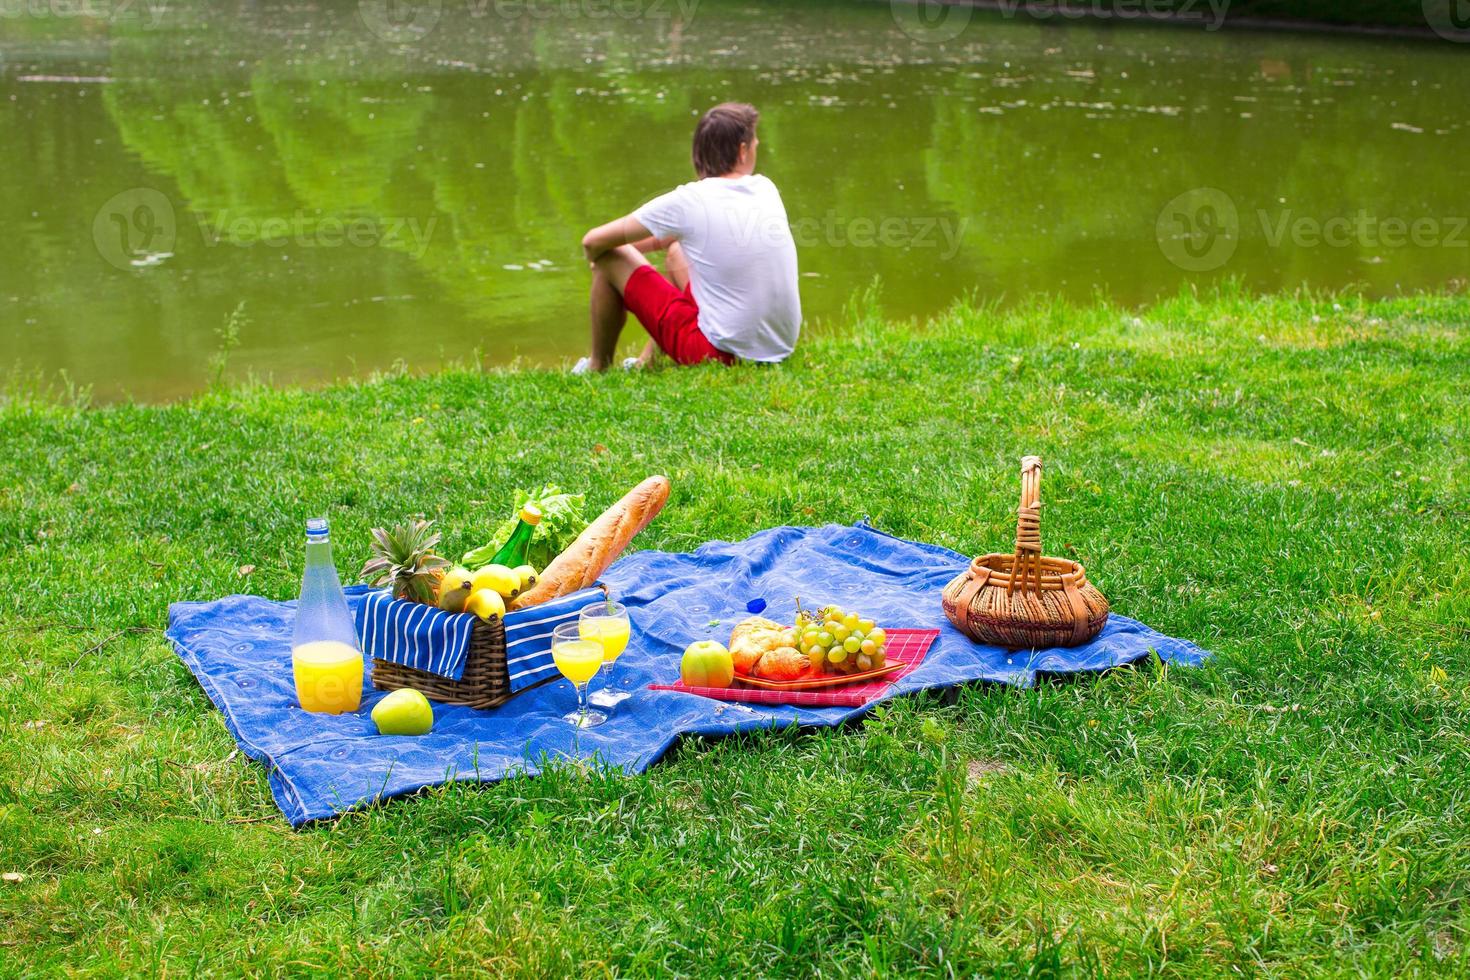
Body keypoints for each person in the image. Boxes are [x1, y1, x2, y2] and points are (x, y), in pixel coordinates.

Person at [574, 102, 801, 373]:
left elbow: (592, 241)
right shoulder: (765, 187)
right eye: (755, 144)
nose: (756, 147)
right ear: (742, 151)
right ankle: (648, 361)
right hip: (779, 347)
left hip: (719, 355)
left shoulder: (690, 201)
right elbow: (677, 236)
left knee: (609, 256)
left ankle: (597, 366)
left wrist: (604, 260)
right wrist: (630, 251)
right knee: (677, 251)